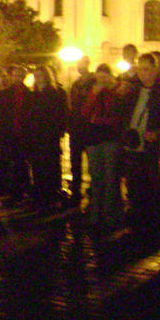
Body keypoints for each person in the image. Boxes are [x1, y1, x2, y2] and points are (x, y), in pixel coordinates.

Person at [119, 53, 160, 237]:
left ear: (155, 70)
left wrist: (158, 134)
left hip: (153, 150)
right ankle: (136, 224)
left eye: (146, 69)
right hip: (132, 147)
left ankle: (154, 228)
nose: (142, 74)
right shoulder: (132, 91)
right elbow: (121, 115)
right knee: (134, 187)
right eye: (139, 69)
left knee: (153, 189)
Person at [81, 64, 125, 234]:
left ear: (110, 76)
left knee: (111, 177)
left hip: (111, 137)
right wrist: (94, 95)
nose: (102, 81)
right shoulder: (92, 91)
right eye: (99, 78)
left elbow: (117, 113)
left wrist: (112, 92)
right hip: (94, 138)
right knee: (96, 177)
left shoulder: (117, 91)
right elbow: (85, 112)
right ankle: (95, 213)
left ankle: (109, 215)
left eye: (105, 77)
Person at [0, 65, 32, 204]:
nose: (17, 78)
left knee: (20, 165)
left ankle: (17, 193)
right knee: (1, 164)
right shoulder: (5, 93)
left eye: (20, 76)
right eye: (15, 76)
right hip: (6, 134)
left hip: (21, 135)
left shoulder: (29, 94)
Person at [27, 65, 68, 208]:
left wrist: (58, 130)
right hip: (35, 136)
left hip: (49, 136)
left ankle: (50, 194)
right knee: (37, 165)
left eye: (41, 75)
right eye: (36, 75)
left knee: (50, 165)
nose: (38, 78)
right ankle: (39, 193)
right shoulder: (33, 94)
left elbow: (61, 114)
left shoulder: (56, 93)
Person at [67, 56, 95, 207]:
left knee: (92, 162)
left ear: (88, 65)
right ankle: (76, 190)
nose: (79, 66)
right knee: (75, 161)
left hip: (89, 127)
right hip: (76, 127)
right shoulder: (76, 84)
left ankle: (93, 190)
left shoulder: (93, 82)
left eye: (82, 64)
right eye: (78, 64)